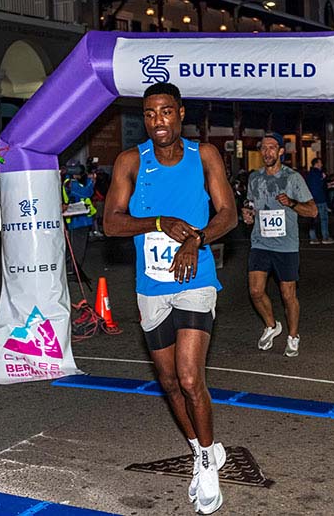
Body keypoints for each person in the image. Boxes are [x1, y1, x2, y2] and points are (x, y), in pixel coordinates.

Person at [104, 82, 237, 514]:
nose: (157, 121)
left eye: (165, 111)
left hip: (196, 279)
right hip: (151, 286)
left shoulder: (205, 155)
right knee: (168, 382)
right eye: (149, 113)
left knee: (190, 378)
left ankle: (207, 465)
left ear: (180, 113)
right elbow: (111, 223)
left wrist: (196, 239)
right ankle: (202, 448)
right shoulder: (130, 161)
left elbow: (229, 214)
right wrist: (159, 222)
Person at [242, 132, 317, 358]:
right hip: (260, 242)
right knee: (255, 291)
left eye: (272, 148)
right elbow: (250, 204)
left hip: (286, 246)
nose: (267, 152)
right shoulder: (254, 178)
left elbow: (312, 211)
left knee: (287, 295)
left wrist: (292, 203)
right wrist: (248, 214)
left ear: (281, 151)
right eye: (263, 148)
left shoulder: (293, 178)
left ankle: (293, 336)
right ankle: (271, 325)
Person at [62, 164, 95, 277]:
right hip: (77, 219)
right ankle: (73, 270)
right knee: (77, 248)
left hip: (79, 218)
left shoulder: (70, 182)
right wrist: (91, 181)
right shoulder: (71, 184)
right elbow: (86, 193)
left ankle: (71, 269)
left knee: (73, 247)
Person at [306, 158, 334, 245]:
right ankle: (325, 237)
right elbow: (322, 186)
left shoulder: (309, 174)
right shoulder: (320, 174)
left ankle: (313, 238)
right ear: (317, 164)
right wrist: (328, 185)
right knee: (324, 219)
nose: (321, 165)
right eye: (320, 163)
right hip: (320, 198)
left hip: (311, 199)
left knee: (313, 219)